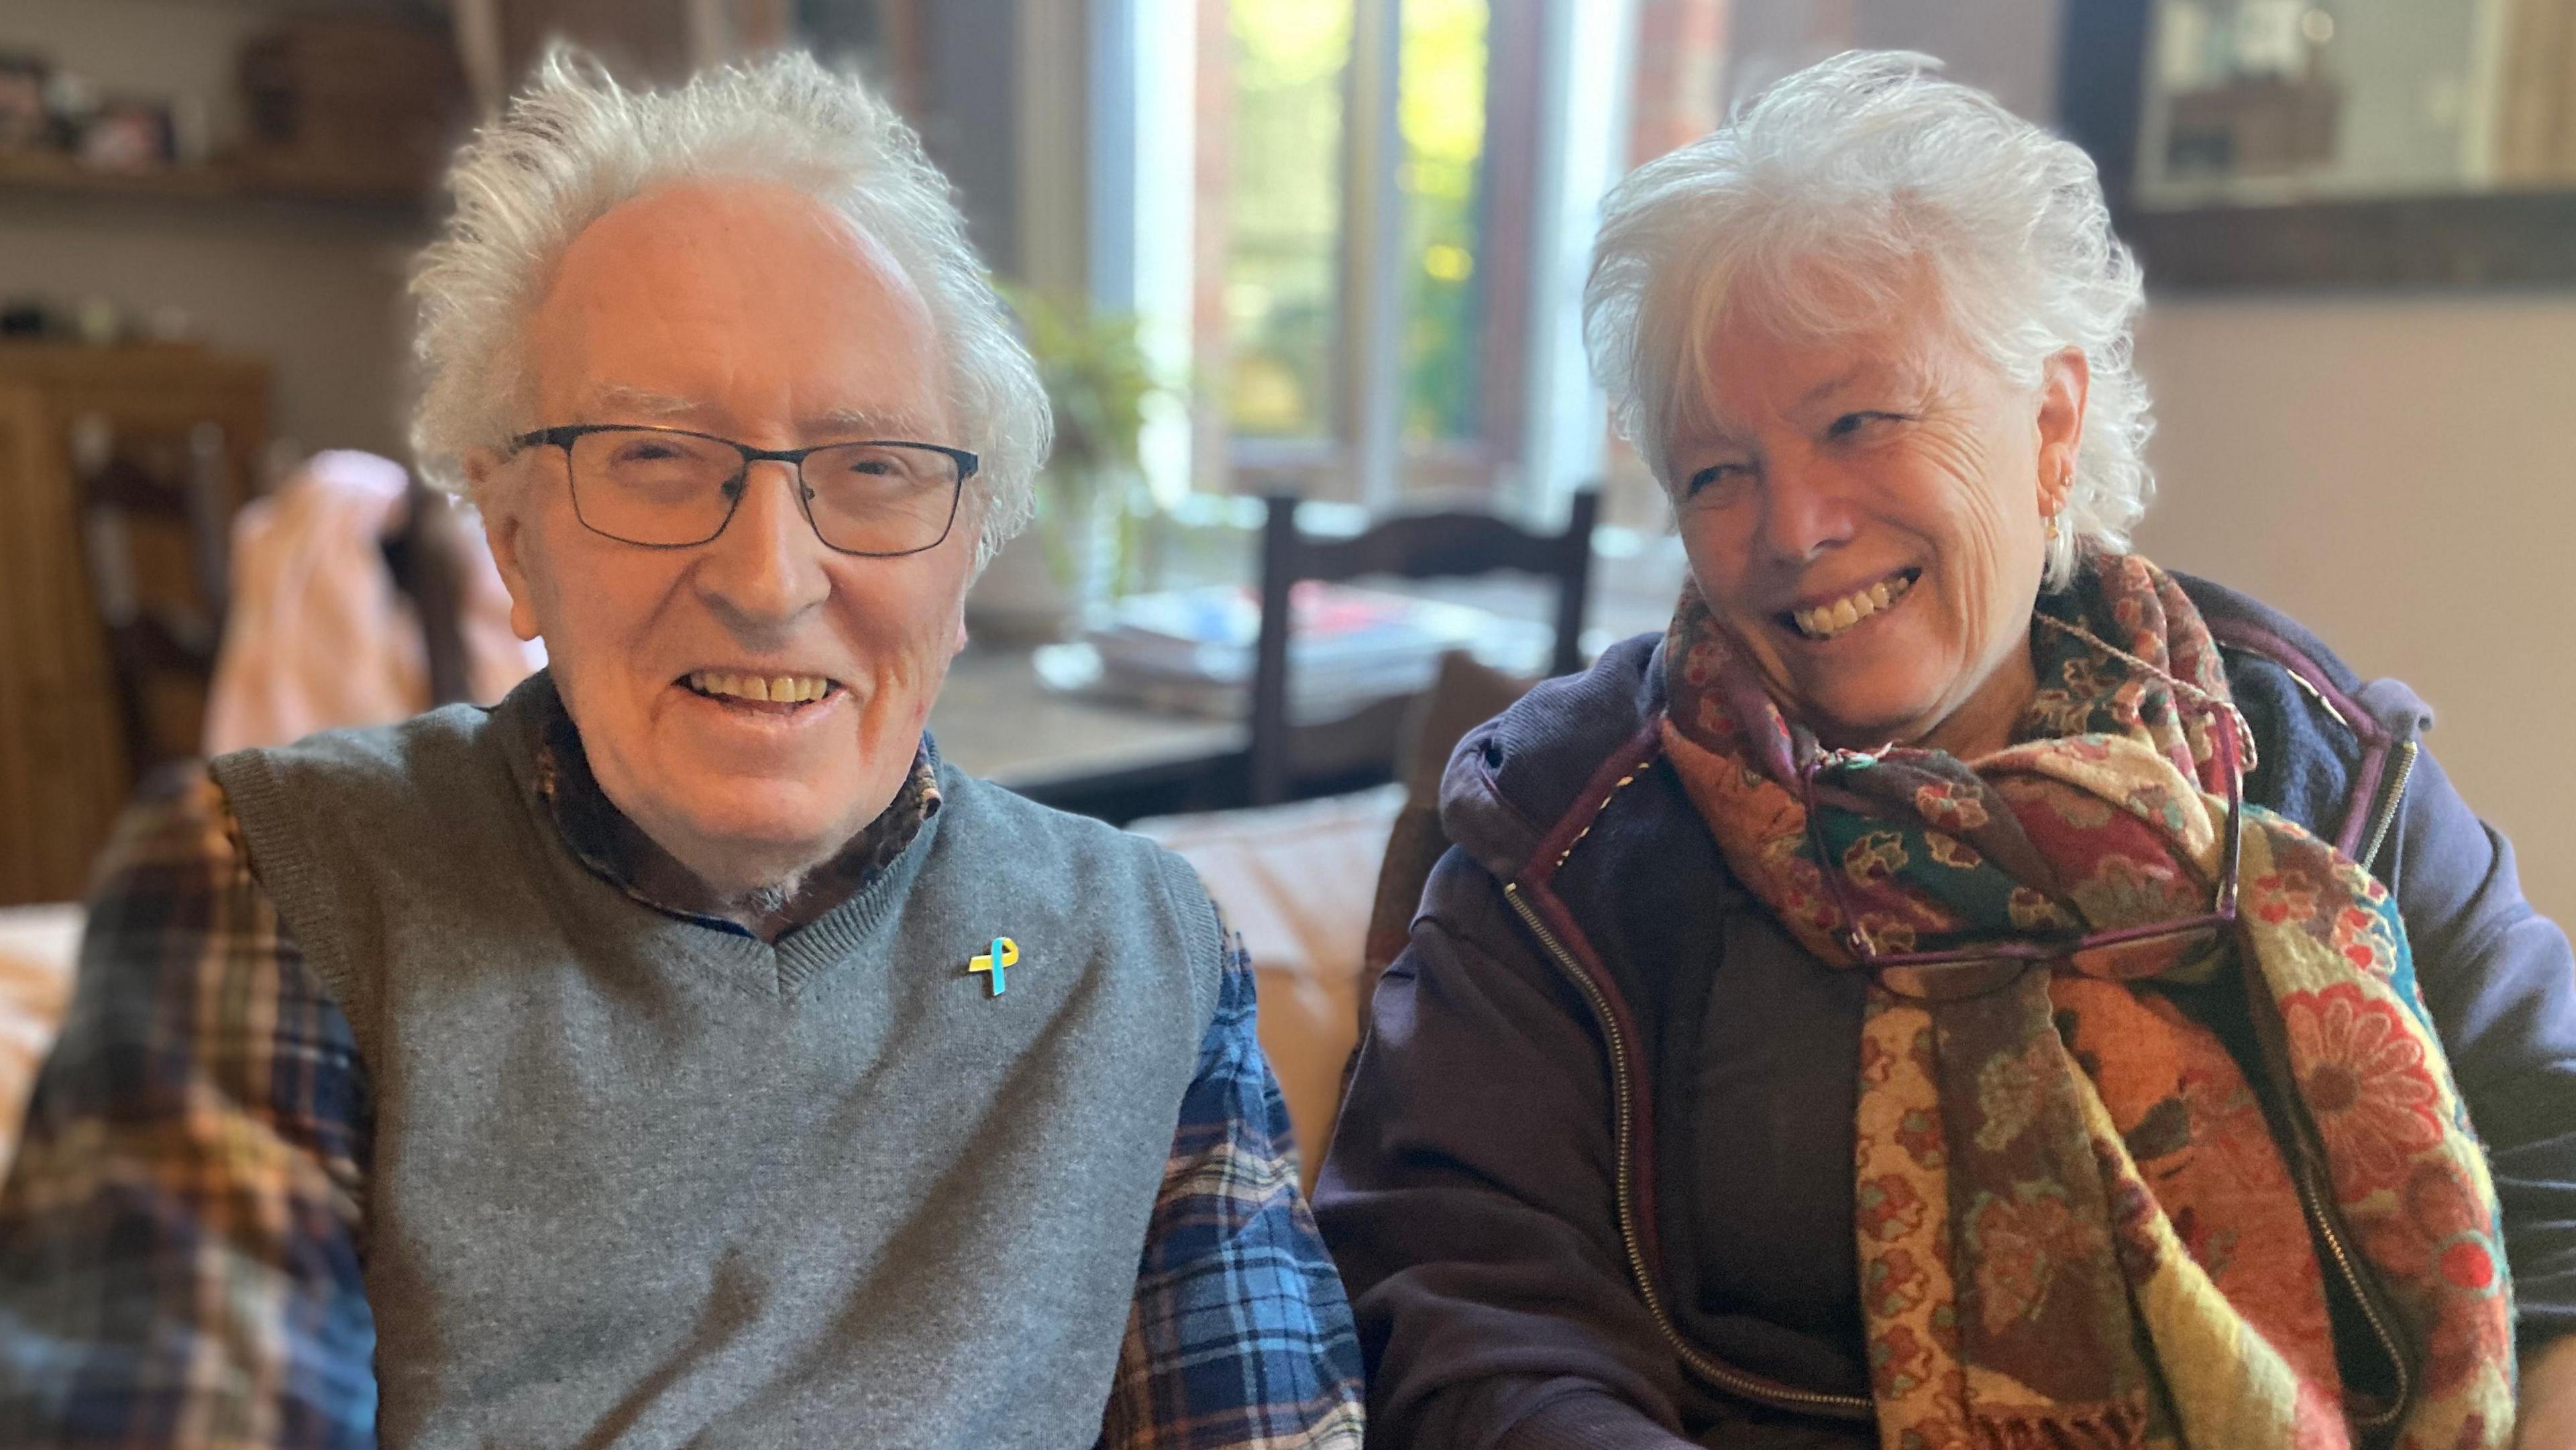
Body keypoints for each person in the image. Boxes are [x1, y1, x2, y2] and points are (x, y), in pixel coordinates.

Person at [0, 52, 1363, 1449]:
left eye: (876, 466)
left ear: (966, 560)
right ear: (516, 544)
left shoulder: (1136, 953)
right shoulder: (275, 888)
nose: (772, 575)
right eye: (655, 457)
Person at [1315, 52, 2576, 1450]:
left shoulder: (2314, 760)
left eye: (1859, 422)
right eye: (1716, 472)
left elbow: (2558, 1150)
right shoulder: (1567, 832)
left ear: (2049, 421)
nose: (1791, 530)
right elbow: (1466, 1309)